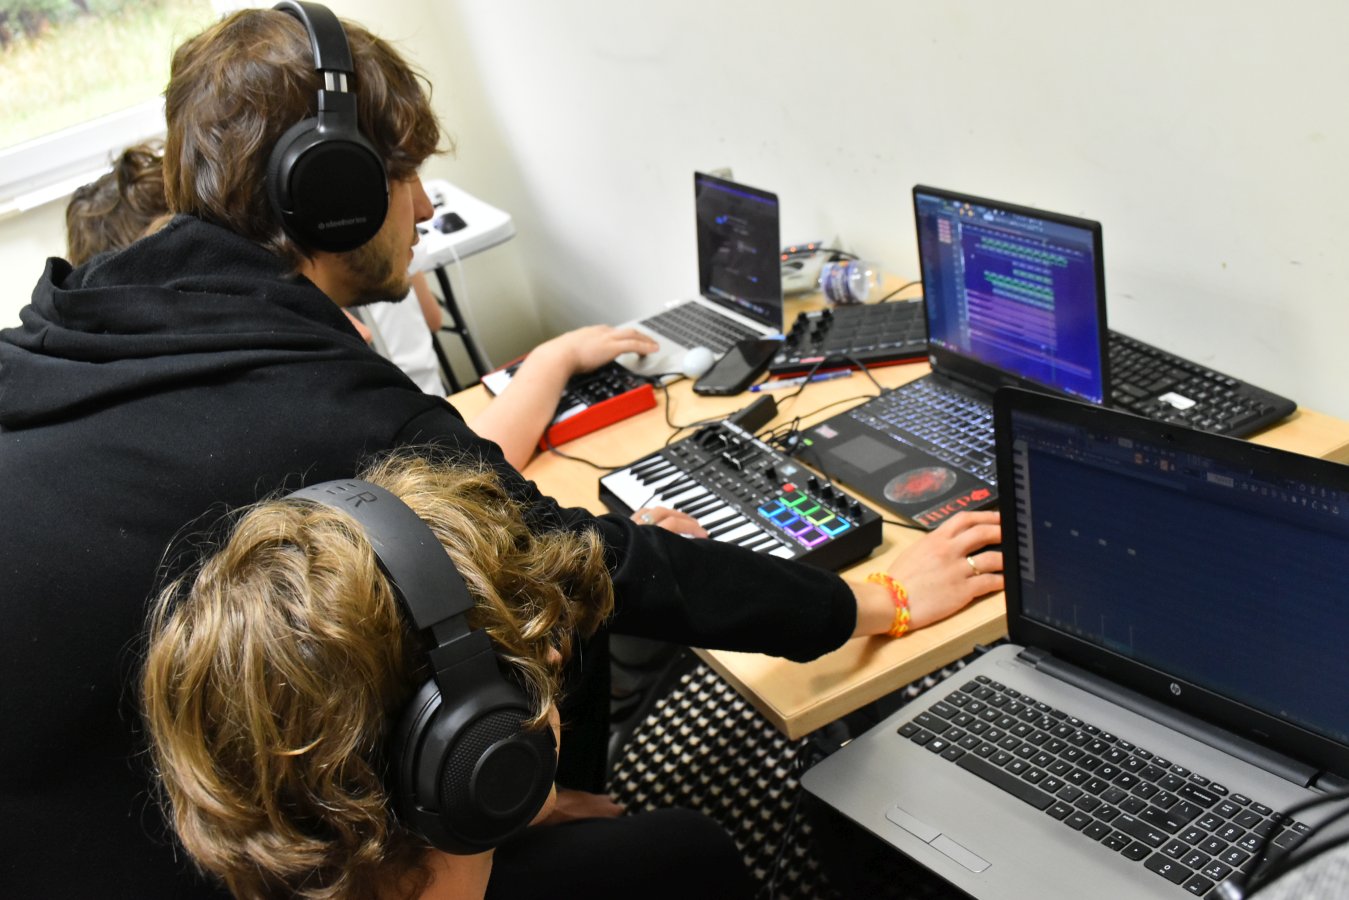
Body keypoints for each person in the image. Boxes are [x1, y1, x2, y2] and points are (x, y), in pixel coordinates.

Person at [0, 4, 1003, 898]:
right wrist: (871, 600)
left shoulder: (85, 331)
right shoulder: (305, 396)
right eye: (404, 174)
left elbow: (439, 474)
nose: (421, 205)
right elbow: (584, 559)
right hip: (203, 859)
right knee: (680, 852)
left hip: (85, 816)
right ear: (330, 190)